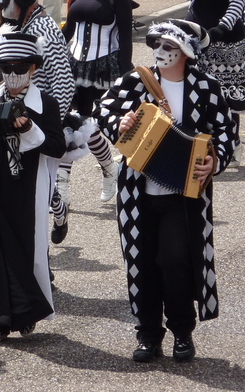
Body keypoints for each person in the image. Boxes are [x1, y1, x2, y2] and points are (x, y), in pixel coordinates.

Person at [94, 19, 237, 363]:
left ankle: (182, 332)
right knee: (141, 262)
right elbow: (102, 110)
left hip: (185, 193)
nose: (160, 52)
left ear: (186, 53)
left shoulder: (207, 87)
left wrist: (213, 163)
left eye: (169, 48)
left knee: (175, 261)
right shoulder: (136, 81)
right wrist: (120, 123)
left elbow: (227, 133)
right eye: (157, 46)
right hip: (136, 191)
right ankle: (147, 334)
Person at [0, 31, 66, 342]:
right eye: (5, 68)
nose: (11, 75)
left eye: (19, 68)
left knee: (22, 250)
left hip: (25, 186)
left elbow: (57, 147)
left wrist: (29, 128)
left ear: (33, 69)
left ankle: (25, 313)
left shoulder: (45, 104)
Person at [0, 0, 74, 241]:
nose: (0, 2)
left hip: (39, 121)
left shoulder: (44, 30)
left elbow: (64, 84)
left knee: (35, 189)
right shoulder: (23, 24)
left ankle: (40, 262)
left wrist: (48, 129)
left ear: (20, 0)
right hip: (17, 113)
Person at [60, 0, 132, 205]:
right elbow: (68, 30)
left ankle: (109, 170)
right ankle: (63, 190)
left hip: (104, 69)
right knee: (69, 125)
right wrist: (45, 49)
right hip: (74, 65)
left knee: (95, 127)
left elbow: (125, 40)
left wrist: (127, 77)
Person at [187, 0, 245, 165]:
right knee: (199, 92)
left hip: (226, 41)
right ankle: (202, 143)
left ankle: (232, 141)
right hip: (197, 38)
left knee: (226, 96)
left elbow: (237, 3)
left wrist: (220, 30)